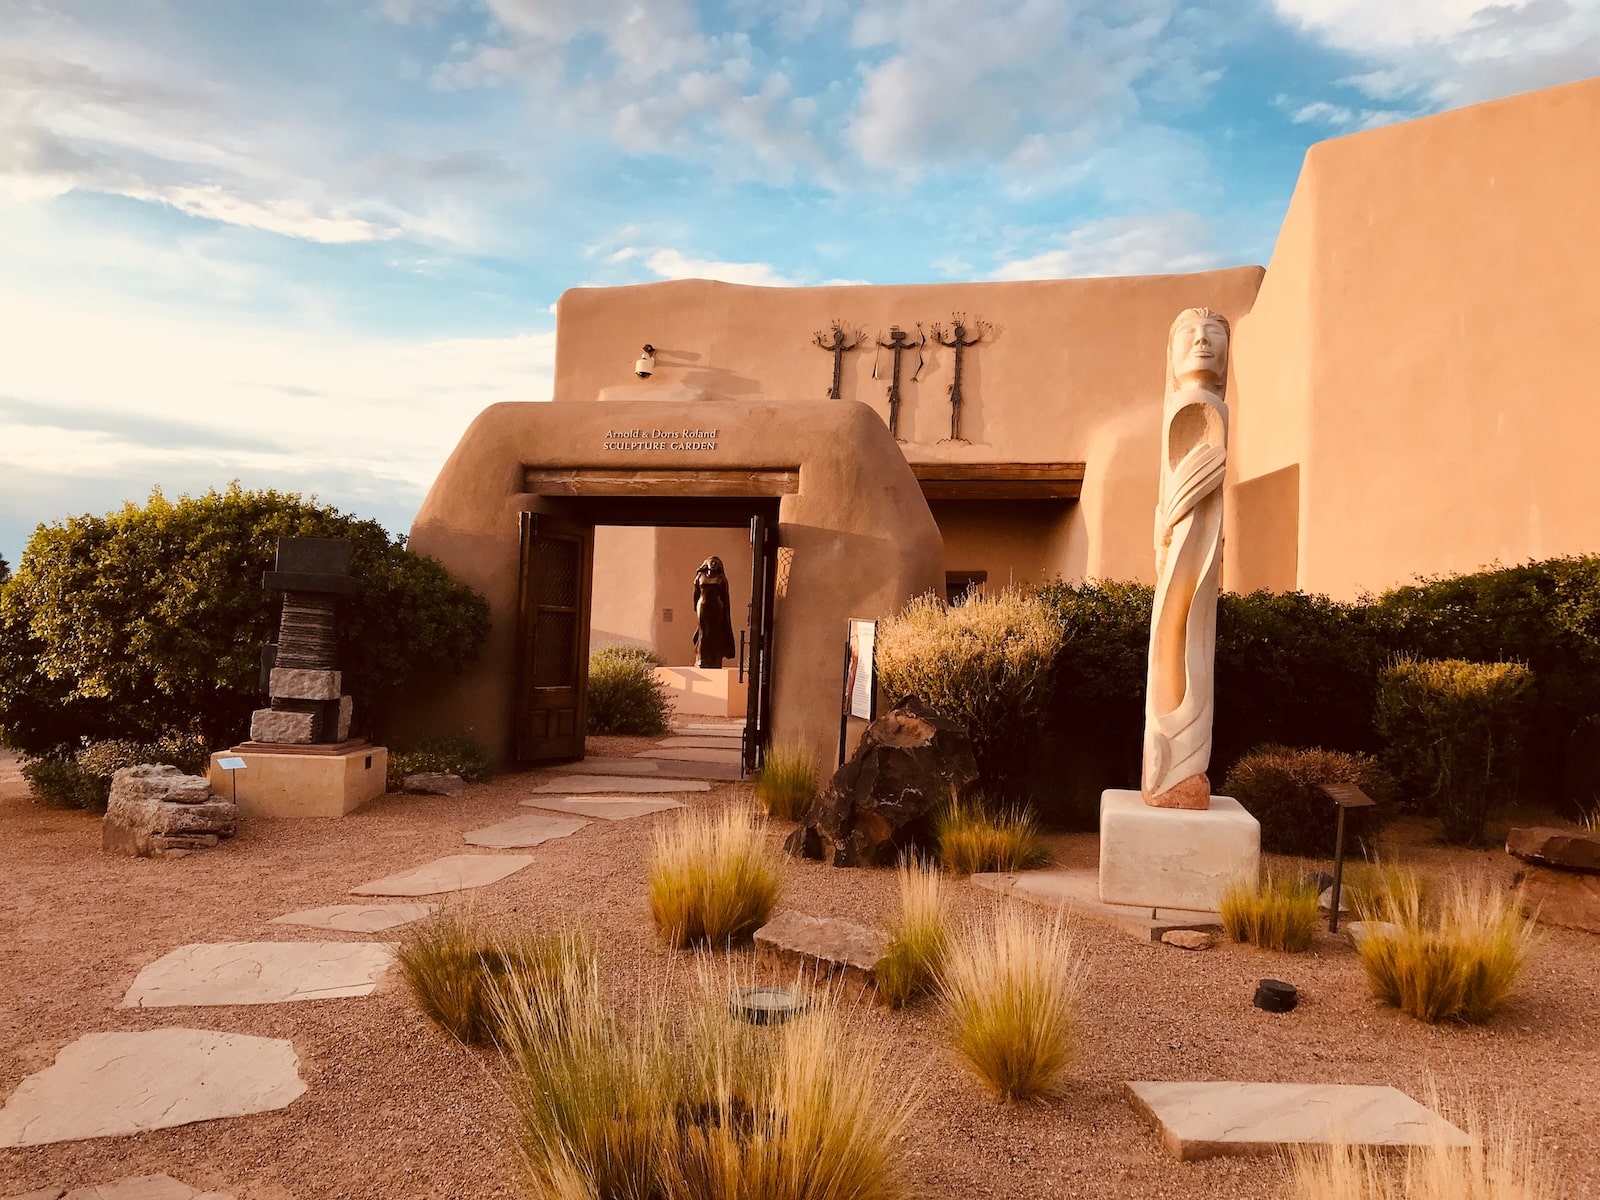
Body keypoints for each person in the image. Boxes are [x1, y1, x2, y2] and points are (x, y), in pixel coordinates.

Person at [1142, 307, 1230, 809]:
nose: (1201, 341)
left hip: (1194, 544)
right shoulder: (1185, 404)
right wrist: (1163, 522)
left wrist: (1173, 513)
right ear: (1170, 354)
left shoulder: (1208, 406)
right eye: (1190, 335)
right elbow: (1171, 483)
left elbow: (1199, 490)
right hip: (1177, 541)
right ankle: (1168, 761)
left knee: (1185, 632)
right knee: (1172, 635)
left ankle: (1180, 764)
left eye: (1213, 334)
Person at [692, 555, 737, 669]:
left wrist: (726, 611)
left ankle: (714, 659)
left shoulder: (721, 579)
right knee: (704, 633)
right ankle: (701, 658)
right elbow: (696, 594)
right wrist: (696, 607)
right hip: (703, 606)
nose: (713, 565)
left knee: (715, 633)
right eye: (711, 562)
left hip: (717, 607)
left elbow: (725, 597)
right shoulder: (700, 577)